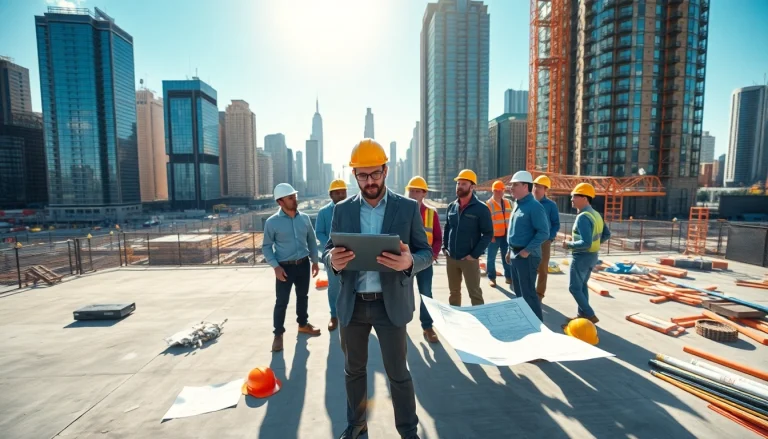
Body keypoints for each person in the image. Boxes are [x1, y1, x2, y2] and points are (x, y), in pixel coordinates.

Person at [323, 139, 431, 439]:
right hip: (353, 304)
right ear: (354, 174)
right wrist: (332, 260)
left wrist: (409, 263)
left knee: (398, 374)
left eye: (375, 174)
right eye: (362, 175)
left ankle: (408, 432)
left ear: (386, 170)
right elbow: (328, 249)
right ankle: (357, 427)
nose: (369, 181)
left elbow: (426, 253)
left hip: (390, 305)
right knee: (353, 372)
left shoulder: (407, 208)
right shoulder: (342, 210)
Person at [262, 183, 321, 353]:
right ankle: (278, 335)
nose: (295, 199)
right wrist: (275, 267)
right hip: (284, 268)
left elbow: (311, 240)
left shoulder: (305, 218)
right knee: (281, 302)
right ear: (280, 202)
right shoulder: (272, 223)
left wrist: (315, 261)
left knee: (303, 296)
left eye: (295, 196)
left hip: (303, 264)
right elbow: (266, 247)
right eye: (290, 197)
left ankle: (303, 324)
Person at [442, 169, 494, 306]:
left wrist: (474, 254)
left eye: (463, 184)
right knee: (453, 292)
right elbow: (447, 228)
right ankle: (455, 320)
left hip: (469, 259)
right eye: (458, 183)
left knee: (474, 292)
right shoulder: (452, 207)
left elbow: (488, 233)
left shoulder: (481, 209)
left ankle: (480, 323)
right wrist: (445, 247)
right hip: (451, 258)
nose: (459, 186)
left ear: (472, 187)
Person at [562, 183, 611, 324]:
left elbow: (585, 242)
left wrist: (568, 245)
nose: (571, 199)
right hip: (592, 256)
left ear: (585, 198)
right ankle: (582, 315)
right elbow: (607, 234)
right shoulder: (596, 215)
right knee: (582, 285)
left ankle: (589, 314)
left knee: (574, 288)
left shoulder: (583, 217)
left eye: (574, 196)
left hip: (582, 257)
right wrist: (595, 245)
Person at [505, 171, 549, 321]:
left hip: (527, 257)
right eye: (511, 185)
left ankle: (538, 325)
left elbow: (544, 232)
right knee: (518, 293)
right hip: (515, 254)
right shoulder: (517, 204)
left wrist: (526, 250)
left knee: (528, 293)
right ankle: (525, 321)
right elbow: (514, 230)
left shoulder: (534, 206)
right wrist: (509, 250)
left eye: (515, 185)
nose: (511, 188)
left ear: (525, 186)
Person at [405, 176, 442, 344]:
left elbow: (437, 239)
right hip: (405, 260)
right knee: (402, 294)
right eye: (411, 190)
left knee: (426, 293)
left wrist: (433, 255)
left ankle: (427, 326)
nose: (413, 194)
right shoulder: (402, 213)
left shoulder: (431, 213)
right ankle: (400, 326)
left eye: (417, 191)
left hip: (425, 261)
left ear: (424, 194)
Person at [315, 179, 348, 331]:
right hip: (332, 255)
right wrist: (331, 243)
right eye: (337, 193)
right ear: (331, 195)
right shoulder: (323, 212)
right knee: (334, 287)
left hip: (350, 254)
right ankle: (334, 316)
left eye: (343, 192)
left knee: (351, 285)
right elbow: (319, 232)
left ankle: (350, 314)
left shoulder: (353, 210)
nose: (341, 195)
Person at [532, 175, 560, 302]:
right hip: (530, 240)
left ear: (545, 190)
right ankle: (529, 292)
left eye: (539, 187)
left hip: (544, 242)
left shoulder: (551, 205)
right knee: (530, 267)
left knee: (543, 268)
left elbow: (556, 224)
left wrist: (550, 237)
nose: (536, 189)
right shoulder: (529, 203)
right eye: (535, 186)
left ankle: (539, 294)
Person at [485, 180, 513, 288]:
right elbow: (487, 222)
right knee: (491, 258)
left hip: (506, 235)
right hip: (494, 236)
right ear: (494, 191)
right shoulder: (489, 204)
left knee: (506, 257)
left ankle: (508, 276)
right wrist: (490, 235)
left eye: (501, 190)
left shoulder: (508, 202)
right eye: (497, 191)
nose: (500, 193)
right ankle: (492, 278)